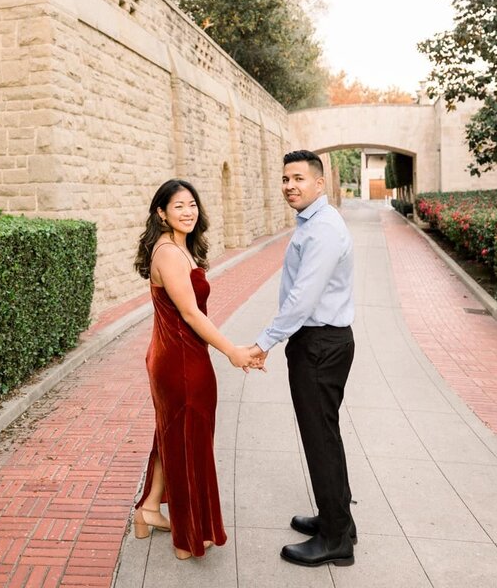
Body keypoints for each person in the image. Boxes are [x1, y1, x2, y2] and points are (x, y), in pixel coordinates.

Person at [132, 179, 259, 560]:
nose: (188, 212)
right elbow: (189, 313)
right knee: (190, 443)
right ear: (161, 213)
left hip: (175, 355)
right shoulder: (169, 253)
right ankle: (188, 537)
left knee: (173, 436)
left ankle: (148, 510)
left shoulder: (178, 247)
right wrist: (231, 350)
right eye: (178, 206)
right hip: (181, 362)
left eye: (192, 205)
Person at [244, 150, 357, 567]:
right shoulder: (313, 222)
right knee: (326, 435)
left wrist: (264, 342)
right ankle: (339, 520)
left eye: (299, 179)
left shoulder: (323, 228)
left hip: (320, 345)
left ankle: (335, 540)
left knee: (320, 439)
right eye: (285, 179)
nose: (290, 186)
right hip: (320, 342)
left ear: (319, 183)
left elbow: (303, 298)